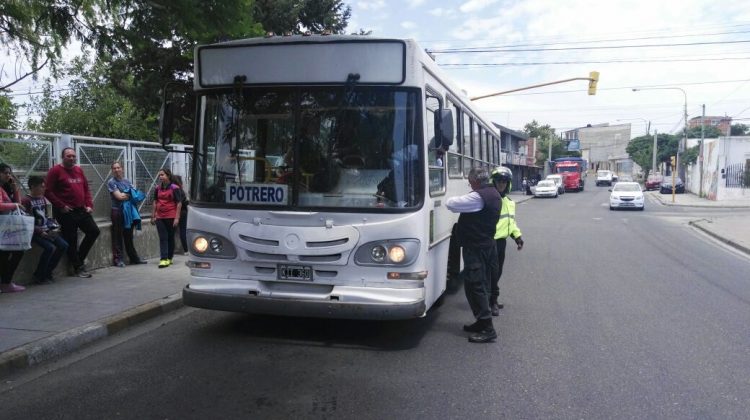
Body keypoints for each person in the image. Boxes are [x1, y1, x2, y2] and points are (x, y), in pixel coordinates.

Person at [445, 167, 500, 343]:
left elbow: (451, 204)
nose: (469, 183)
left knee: (476, 286)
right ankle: (480, 321)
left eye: (470, 181)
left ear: (476, 181)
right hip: (486, 246)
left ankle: (487, 327)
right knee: (474, 285)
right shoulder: (493, 193)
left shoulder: (478, 197)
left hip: (477, 248)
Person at [45, 147, 100, 278]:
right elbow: (47, 191)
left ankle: (78, 260)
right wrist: (61, 205)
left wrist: (89, 205)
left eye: (73, 156)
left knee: (94, 231)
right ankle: (78, 268)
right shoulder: (55, 171)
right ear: (62, 157)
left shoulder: (78, 170)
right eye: (68, 156)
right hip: (66, 212)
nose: (72, 158)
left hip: (82, 210)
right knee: (71, 239)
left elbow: (86, 189)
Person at [489, 167, 524, 316]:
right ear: (494, 182)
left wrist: (517, 237)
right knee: (491, 274)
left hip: (501, 243)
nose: (501, 184)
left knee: (497, 273)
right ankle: (491, 302)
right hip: (490, 242)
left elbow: (510, 222)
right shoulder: (489, 200)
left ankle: (493, 300)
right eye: (499, 181)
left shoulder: (509, 202)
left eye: (504, 182)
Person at [21, 176, 69, 284]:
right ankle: (39, 274)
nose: (43, 189)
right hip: (35, 232)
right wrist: (39, 231)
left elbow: (45, 216)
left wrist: (53, 225)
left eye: (44, 187)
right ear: (33, 187)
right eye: (41, 187)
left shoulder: (42, 199)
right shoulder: (26, 201)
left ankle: (48, 272)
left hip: (46, 229)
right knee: (49, 248)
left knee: (63, 245)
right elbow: (27, 220)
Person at [107, 161, 147, 267]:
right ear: (112, 170)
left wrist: (127, 194)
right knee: (118, 236)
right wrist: (129, 194)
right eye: (114, 168)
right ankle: (118, 259)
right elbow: (119, 197)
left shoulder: (127, 181)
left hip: (128, 212)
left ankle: (134, 258)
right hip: (117, 211)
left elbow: (136, 194)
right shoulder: (111, 182)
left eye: (118, 168)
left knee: (128, 236)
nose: (116, 170)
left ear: (122, 169)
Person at [0, 163, 27, 293]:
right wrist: (15, 204)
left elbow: (18, 204)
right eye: (5, 173)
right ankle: (5, 282)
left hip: (7, 225)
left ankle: (6, 282)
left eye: (9, 173)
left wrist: (15, 188)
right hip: (3, 225)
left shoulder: (6, 187)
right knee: (7, 253)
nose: (8, 175)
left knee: (15, 251)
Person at [151, 168, 183, 268]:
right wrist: (153, 215)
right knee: (163, 237)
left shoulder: (174, 188)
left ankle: (169, 257)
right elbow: (155, 201)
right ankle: (163, 259)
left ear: (168, 176)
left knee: (170, 237)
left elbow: (179, 203)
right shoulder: (157, 188)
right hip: (160, 216)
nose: (160, 177)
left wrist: (177, 218)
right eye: (159, 175)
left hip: (171, 216)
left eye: (162, 175)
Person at [172, 175, 189, 255]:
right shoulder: (180, 190)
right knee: (183, 231)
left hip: (172, 212)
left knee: (172, 232)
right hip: (182, 212)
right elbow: (184, 201)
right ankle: (186, 250)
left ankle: (172, 249)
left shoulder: (171, 189)